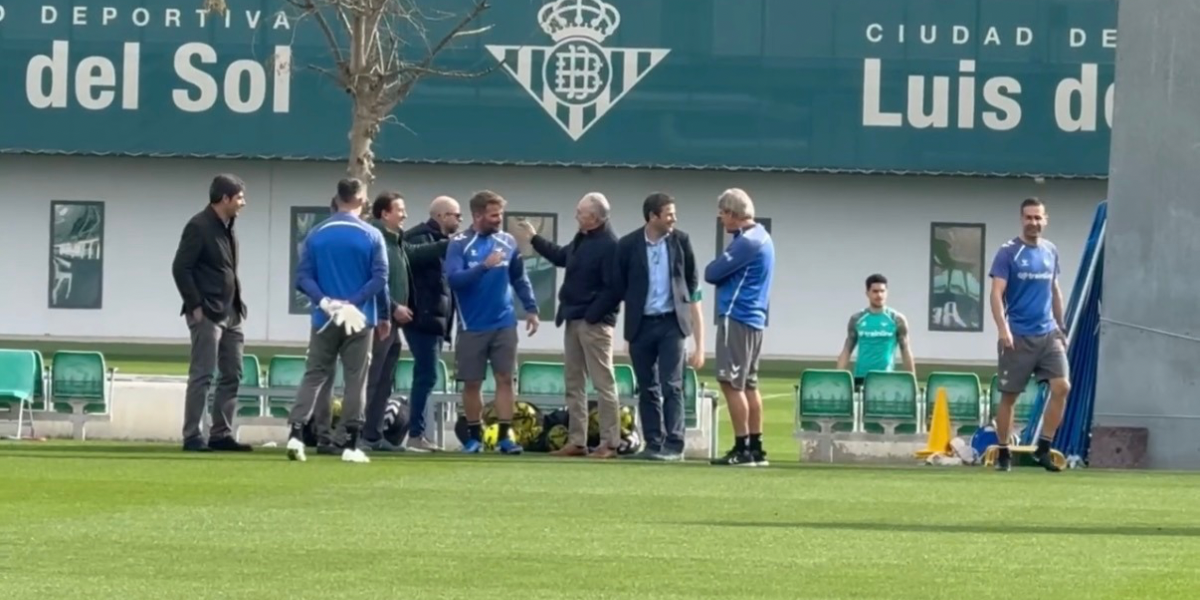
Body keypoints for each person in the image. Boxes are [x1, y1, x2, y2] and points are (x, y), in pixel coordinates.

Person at [285, 178, 390, 464]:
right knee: (356, 378)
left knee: (315, 373)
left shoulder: (316, 234)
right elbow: (380, 277)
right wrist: (356, 304)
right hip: (359, 318)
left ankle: (296, 435)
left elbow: (303, 277)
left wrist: (324, 301)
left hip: (324, 316)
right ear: (359, 199)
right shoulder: (371, 235)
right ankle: (350, 442)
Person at [514, 193, 621, 459]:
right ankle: (577, 441)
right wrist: (534, 239)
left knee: (603, 383)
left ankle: (610, 442)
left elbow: (614, 288)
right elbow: (563, 257)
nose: (576, 215)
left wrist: (593, 315)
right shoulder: (583, 238)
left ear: (594, 218)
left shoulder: (610, 245)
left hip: (594, 324)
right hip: (573, 319)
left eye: (580, 212)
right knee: (574, 383)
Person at [602, 192, 704, 462]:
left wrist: (688, 318)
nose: (674, 218)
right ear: (653, 216)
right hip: (641, 325)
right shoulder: (627, 245)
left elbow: (691, 281)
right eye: (669, 213)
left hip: (672, 323)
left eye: (674, 213)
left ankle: (675, 444)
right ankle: (653, 443)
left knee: (672, 384)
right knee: (647, 387)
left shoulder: (681, 241)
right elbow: (618, 284)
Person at [443, 190, 539, 454]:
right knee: (472, 382)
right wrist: (483, 266)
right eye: (494, 215)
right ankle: (474, 436)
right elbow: (454, 280)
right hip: (472, 325)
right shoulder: (459, 243)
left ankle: (505, 437)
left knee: (505, 378)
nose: (499, 219)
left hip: (504, 323)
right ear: (477, 215)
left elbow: (519, 278)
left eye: (500, 214)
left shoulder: (508, 242)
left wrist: (531, 308)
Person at [359, 191, 450, 451]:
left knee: (385, 379)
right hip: (379, 320)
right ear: (384, 213)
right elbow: (373, 282)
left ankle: (374, 436)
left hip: (393, 323)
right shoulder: (376, 241)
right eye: (400, 210)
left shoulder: (396, 241)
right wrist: (393, 307)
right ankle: (360, 434)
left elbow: (416, 252)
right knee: (372, 378)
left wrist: (448, 244)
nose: (405, 215)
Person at [170, 174, 253, 453]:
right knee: (203, 374)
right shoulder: (198, 226)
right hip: (207, 312)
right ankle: (192, 435)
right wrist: (195, 306)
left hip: (231, 311)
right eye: (239, 197)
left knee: (233, 373)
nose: (243, 202)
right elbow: (181, 268)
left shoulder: (229, 227)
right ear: (224, 198)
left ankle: (221, 434)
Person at [988, 197, 1070, 472]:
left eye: (1038, 218)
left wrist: (1062, 326)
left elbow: (1054, 291)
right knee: (1010, 397)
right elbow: (996, 294)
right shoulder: (1008, 252)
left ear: (1045, 220)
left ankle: (1043, 449)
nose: (1033, 222)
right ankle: (1003, 453)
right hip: (1018, 336)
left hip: (1048, 334)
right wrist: (1003, 329)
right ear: (1021, 219)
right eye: (1029, 217)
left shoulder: (1050, 251)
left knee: (1062, 387)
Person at [704, 188, 775, 467]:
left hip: (736, 316)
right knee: (748, 384)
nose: (721, 220)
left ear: (733, 214)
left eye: (723, 214)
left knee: (730, 383)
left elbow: (712, 273)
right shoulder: (764, 237)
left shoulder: (747, 242)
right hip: (754, 318)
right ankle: (756, 447)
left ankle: (741, 447)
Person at [402, 195, 463, 451]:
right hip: (422, 319)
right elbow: (413, 258)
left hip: (436, 321)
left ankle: (418, 433)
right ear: (441, 216)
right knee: (426, 375)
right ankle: (415, 434)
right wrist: (446, 245)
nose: (459, 220)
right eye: (456, 215)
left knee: (427, 375)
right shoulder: (418, 236)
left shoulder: (441, 241)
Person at [836, 274, 917, 390]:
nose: (879, 295)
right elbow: (846, 350)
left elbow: (906, 351)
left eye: (882, 291)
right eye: (875, 291)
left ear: (887, 292)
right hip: (860, 378)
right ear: (867, 293)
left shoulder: (897, 319)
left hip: (886, 378)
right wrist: (838, 378)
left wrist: (912, 381)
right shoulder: (857, 319)